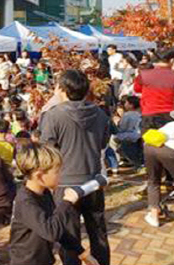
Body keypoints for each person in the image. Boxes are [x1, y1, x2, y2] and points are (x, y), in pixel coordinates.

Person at [40, 69, 111, 265]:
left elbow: (47, 152)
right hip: (93, 180)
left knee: (69, 237)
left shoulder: (53, 116)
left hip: (64, 184)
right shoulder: (100, 113)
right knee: (98, 232)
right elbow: (104, 143)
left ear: (62, 90)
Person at [10, 142, 98, 265]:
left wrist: (82, 253)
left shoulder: (45, 193)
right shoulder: (25, 201)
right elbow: (51, 232)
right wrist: (67, 201)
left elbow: (58, 226)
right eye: (57, 172)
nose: (60, 175)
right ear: (40, 176)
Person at [133, 49, 174, 133]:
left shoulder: (144, 74)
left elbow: (137, 89)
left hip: (149, 112)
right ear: (172, 60)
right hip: (168, 112)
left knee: (148, 141)